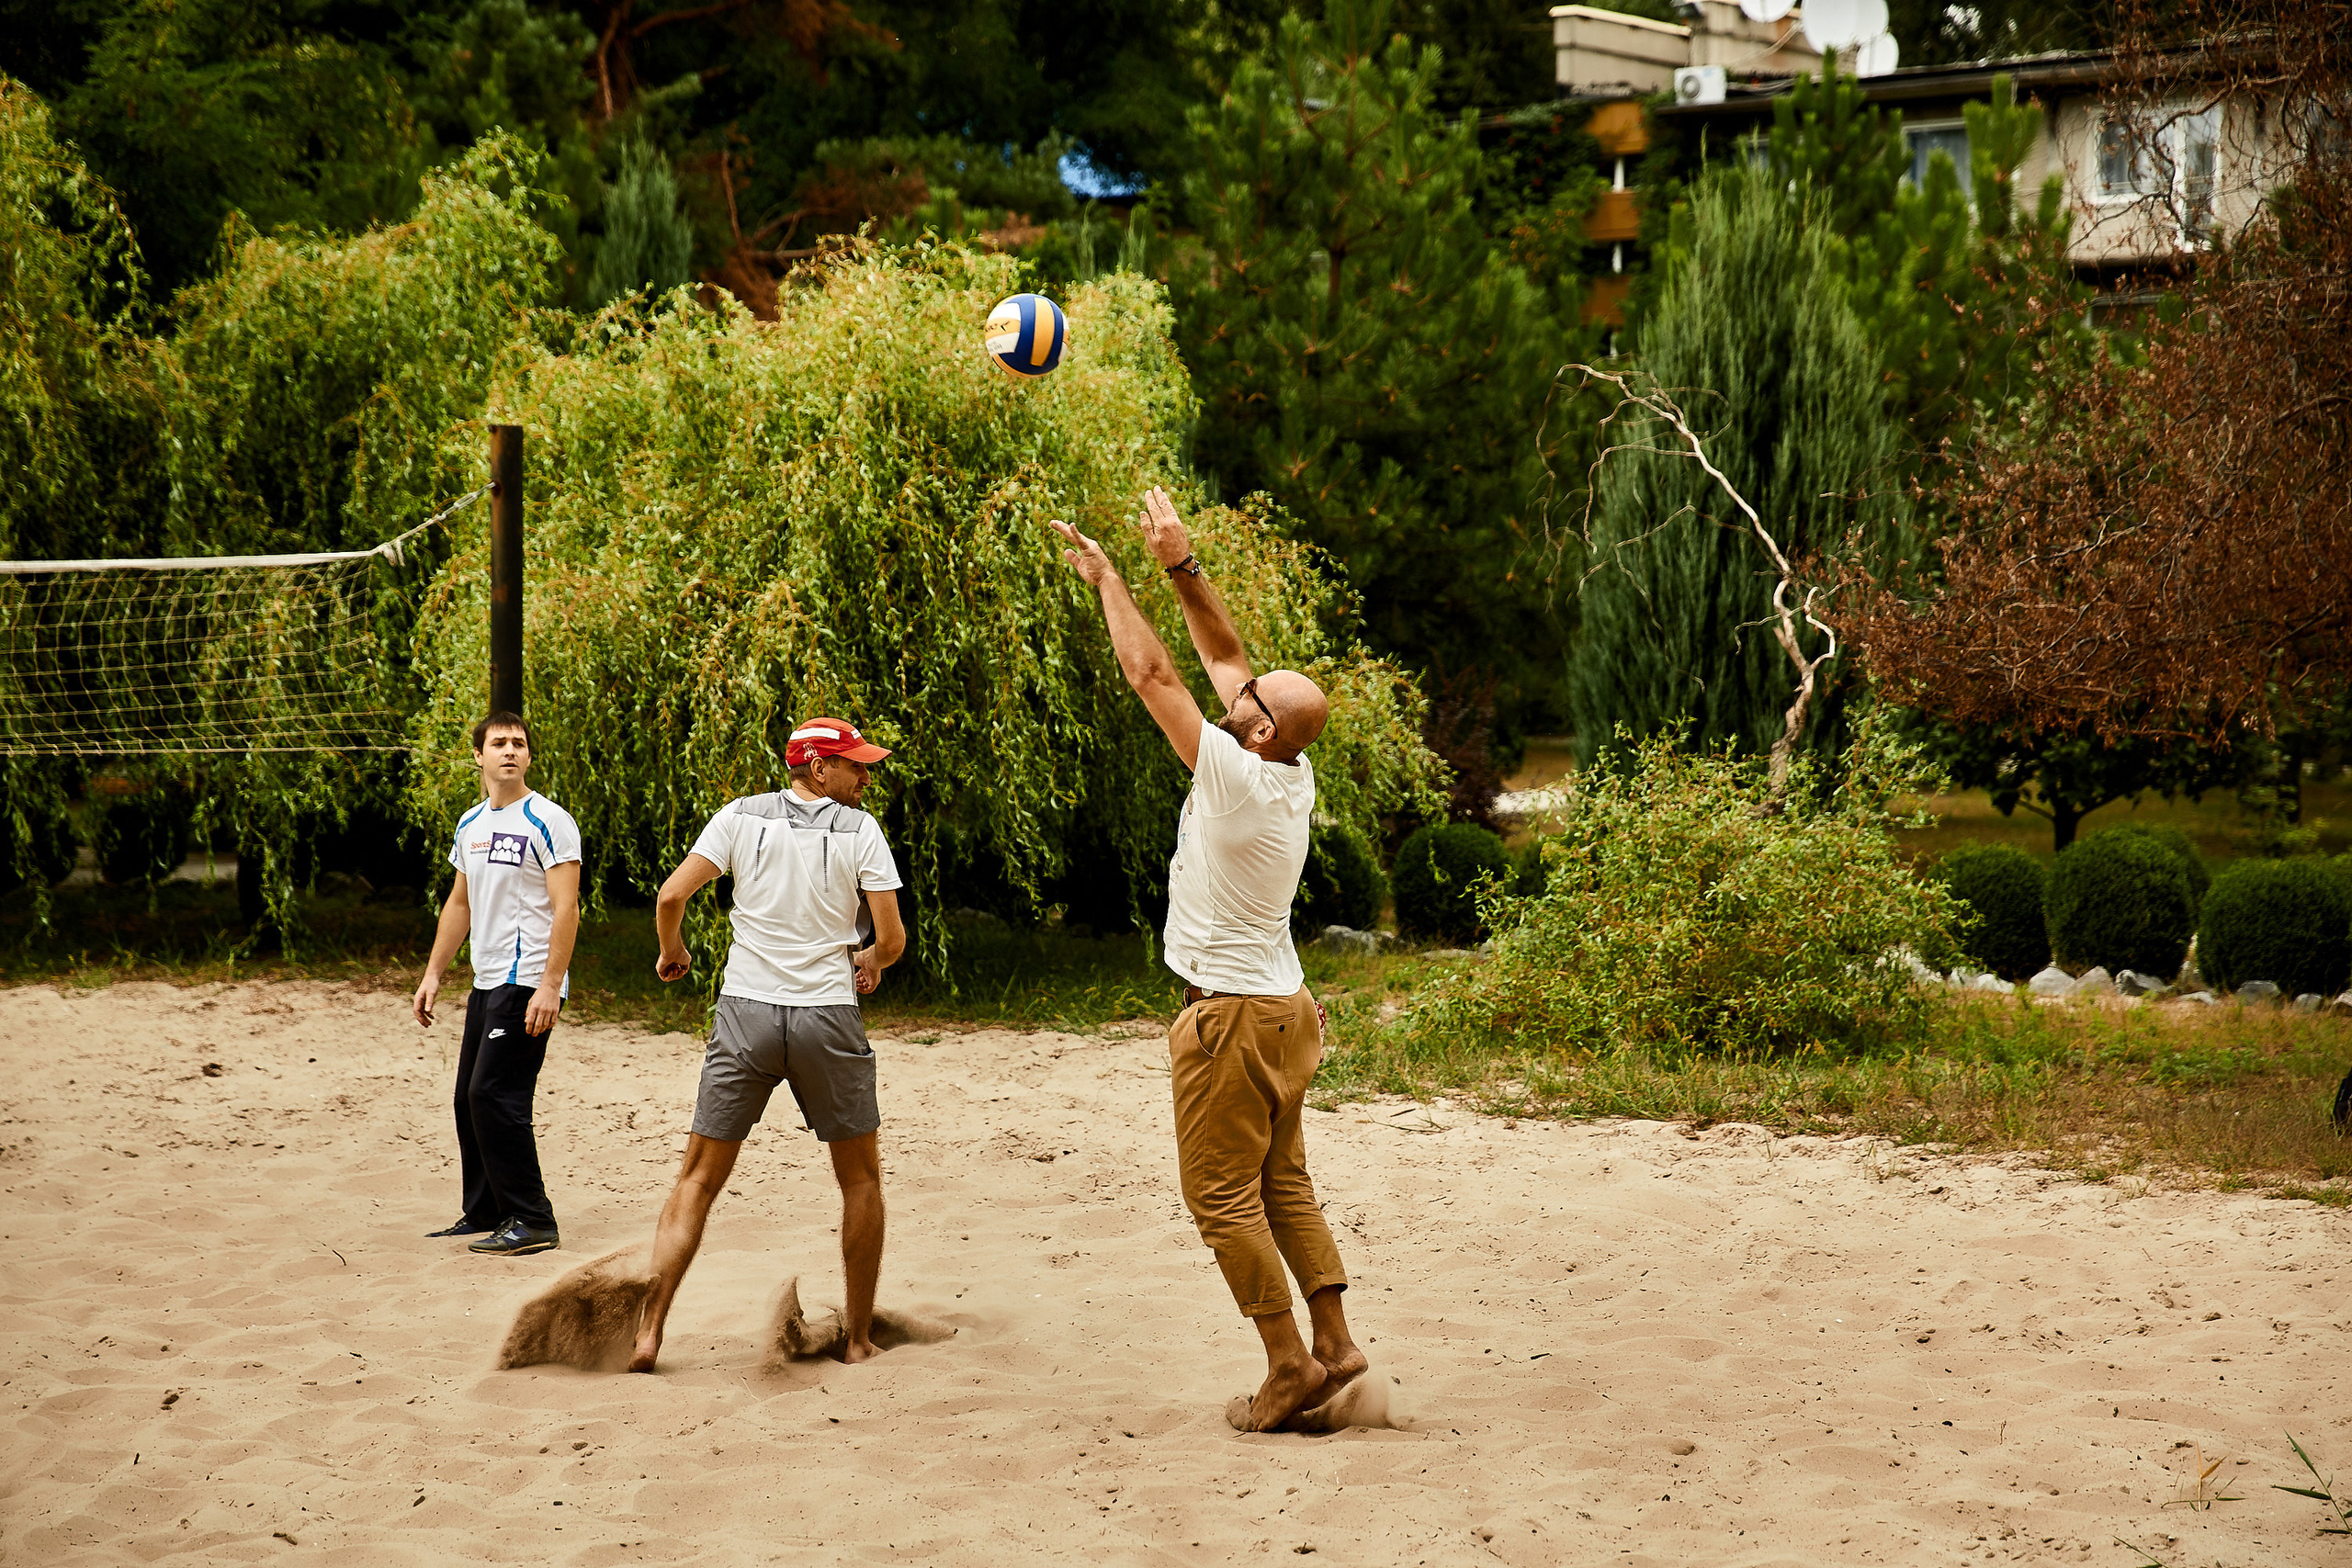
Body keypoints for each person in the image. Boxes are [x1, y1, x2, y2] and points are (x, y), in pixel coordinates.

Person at [1049, 488, 1368, 1432]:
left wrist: (1111, 580)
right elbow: (1223, 655)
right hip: (1282, 1008)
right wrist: (1180, 566)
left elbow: (1156, 676)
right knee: (1283, 1185)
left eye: (1252, 700)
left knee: (1220, 1195)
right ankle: (1336, 1343)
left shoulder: (1231, 778)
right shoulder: (1289, 770)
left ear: (1259, 730)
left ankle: (1286, 1367)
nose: (1238, 688)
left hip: (1228, 1018)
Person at [628, 716, 908, 1373]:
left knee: (696, 1179)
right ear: (817, 767)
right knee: (861, 1178)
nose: (866, 777)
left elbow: (671, 895)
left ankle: (649, 1332)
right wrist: (869, 958)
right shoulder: (860, 831)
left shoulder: (739, 817)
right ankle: (860, 1337)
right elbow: (892, 940)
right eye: (856, 765)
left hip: (746, 1013)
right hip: (827, 1018)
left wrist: (674, 951)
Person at [412, 711, 583, 1258]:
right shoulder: (470, 825)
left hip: (528, 980)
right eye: (499, 743)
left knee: (495, 1094)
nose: (510, 750)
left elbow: (567, 907)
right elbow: (459, 904)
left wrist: (550, 984)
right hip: (487, 983)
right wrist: (434, 974)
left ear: (529, 757)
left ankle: (532, 1218)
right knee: (467, 1097)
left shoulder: (550, 820)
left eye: (520, 743)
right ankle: (484, 1210)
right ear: (479, 757)